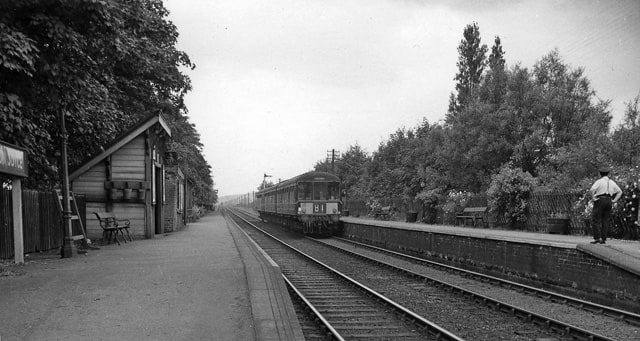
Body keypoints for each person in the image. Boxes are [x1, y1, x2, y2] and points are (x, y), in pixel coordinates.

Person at [589, 166, 622, 244]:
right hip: (609, 200)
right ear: (608, 174)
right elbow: (620, 192)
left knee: (596, 219)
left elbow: (591, 190)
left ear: (600, 174)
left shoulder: (599, 181)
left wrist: (593, 198)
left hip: (600, 199)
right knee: (605, 220)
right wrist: (614, 200)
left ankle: (597, 238)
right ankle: (603, 239)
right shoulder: (612, 182)